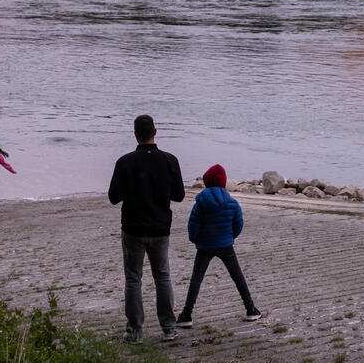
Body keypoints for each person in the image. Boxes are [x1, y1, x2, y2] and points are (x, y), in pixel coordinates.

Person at [108, 114, 185, 343]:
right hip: (160, 227)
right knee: (162, 276)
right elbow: (179, 195)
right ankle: (168, 329)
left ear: (135, 135)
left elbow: (113, 197)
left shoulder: (125, 162)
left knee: (133, 279)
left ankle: (135, 331)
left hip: (133, 227)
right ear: (155, 132)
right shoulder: (170, 160)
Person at [176, 164, 261, 327]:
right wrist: (229, 237)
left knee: (196, 279)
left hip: (204, 246)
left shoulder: (200, 203)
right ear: (223, 182)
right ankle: (251, 309)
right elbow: (238, 225)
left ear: (207, 182)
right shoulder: (232, 202)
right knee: (238, 277)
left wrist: (197, 240)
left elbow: (193, 226)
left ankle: (186, 315)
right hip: (226, 244)